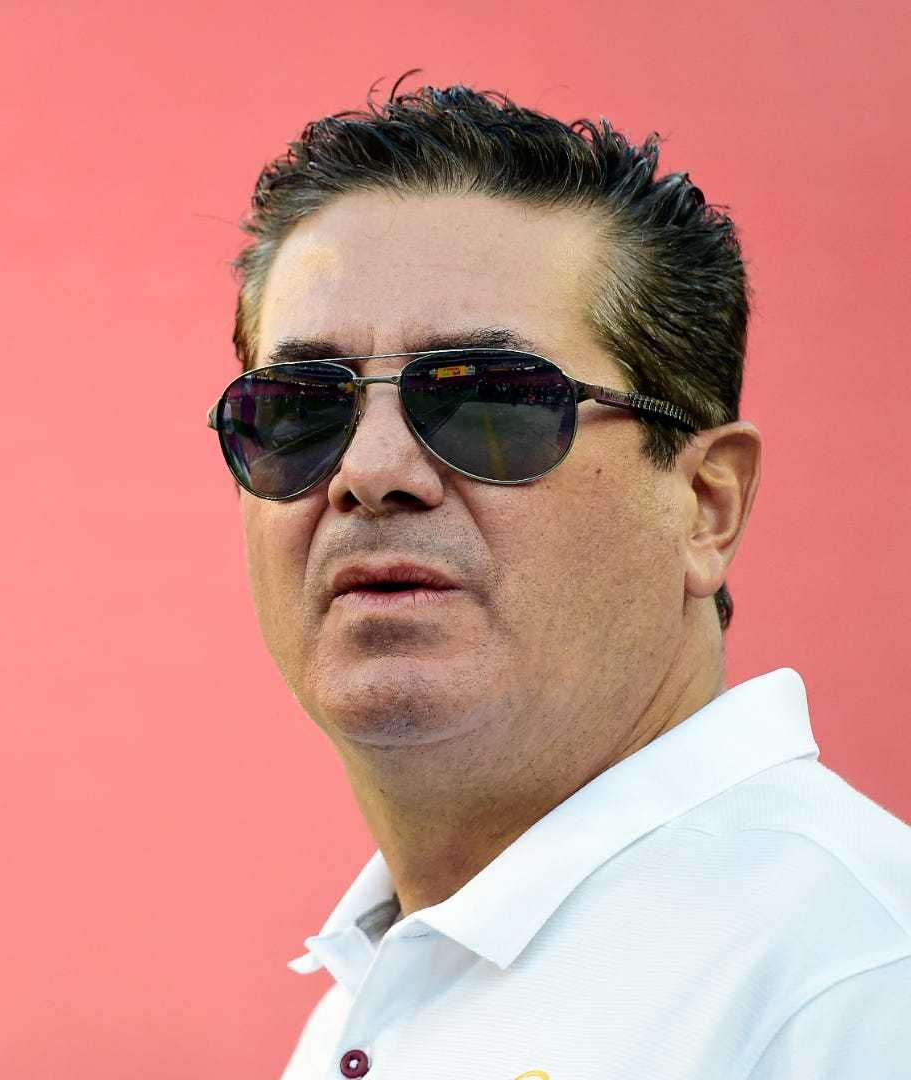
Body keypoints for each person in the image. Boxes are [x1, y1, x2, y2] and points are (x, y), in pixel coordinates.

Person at [209, 83, 911, 1077]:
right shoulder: (364, 1007)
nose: (369, 471)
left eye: (491, 404)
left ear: (705, 504)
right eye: (299, 408)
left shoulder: (853, 986)